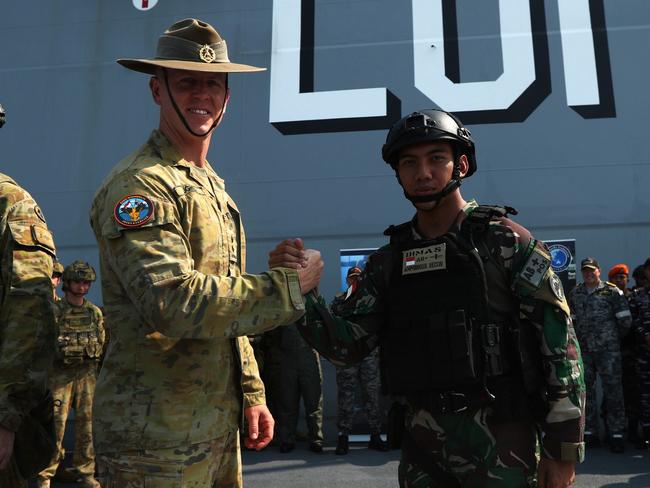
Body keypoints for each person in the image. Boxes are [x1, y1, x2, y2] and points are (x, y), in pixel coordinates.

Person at [270, 109, 585, 487]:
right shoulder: (387, 264)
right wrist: (301, 289)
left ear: (461, 165)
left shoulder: (505, 242)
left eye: (437, 158)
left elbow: (559, 342)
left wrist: (563, 448)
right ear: (398, 173)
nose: (423, 173)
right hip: (424, 451)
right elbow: (344, 347)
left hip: (504, 447)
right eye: (409, 163)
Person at [89, 18, 322, 487]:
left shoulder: (208, 184)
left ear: (228, 97)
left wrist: (252, 391)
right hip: (153, 439)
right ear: (158, 91)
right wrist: (287, 287)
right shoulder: (142, 186)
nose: (202, 95)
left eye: (213, 84)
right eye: (187, 82)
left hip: (213, 426)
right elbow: (175, 303)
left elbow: (223, 307)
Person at [36, 261, 104, 488]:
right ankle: (46, 474)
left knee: (87, 428)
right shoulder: (55, 312)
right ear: (68, 283)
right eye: (78, 282)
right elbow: (43, 345)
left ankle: (86, 472)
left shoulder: (94, 312)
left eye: (86, 282)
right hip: (60, 377)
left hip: (86, 377)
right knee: (56, 427)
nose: (82, 287)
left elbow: (101, 342)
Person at [569, 257, 631, 452]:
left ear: (599, 271)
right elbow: (572, 321)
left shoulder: (612, 292)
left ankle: (617, 433)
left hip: (608, 351)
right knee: (586, 393)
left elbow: (625, 321)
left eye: (592, 270)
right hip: (585, 351)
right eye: (585, 271)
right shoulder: (576, 292)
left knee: (613, 392)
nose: (588, 274)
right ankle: (590, 433)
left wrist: (611, 339)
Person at [332, 266, 387, 455]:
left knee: (372, 395)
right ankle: (343, 437)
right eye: (352, 278)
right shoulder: (340, 300)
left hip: (369, 354)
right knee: (345, 396)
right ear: (347, 280)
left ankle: (375, 435)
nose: (355, 281)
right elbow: (334, 323)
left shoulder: (372, 300)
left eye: (358, 278)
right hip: (348, 355)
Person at [276, 324, 324, 453]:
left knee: (313, 401)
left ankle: (316, 439)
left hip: (309, 355)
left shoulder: (312, 305)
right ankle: (287, 439)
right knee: (287, 401)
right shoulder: (284, 306)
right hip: (287, 356)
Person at [629, 258, 650, 448]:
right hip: (644, 353)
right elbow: (633, 321)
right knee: (645, 395)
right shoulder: (638, 296)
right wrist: (645, 336)